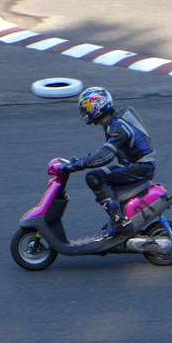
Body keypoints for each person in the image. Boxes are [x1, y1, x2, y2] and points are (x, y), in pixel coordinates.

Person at [62, 87, 156, 239]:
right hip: (134, 165)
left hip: (141, 167)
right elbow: (104, 153)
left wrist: (80, 164)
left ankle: (120, 223)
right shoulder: (112, 124)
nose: (84, 112)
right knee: (101, 177)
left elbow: (106, 156)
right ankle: (119, 218)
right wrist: (80, 160)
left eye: (86, 107)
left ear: (97, 105)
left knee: (94, 177)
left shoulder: (118, 126)